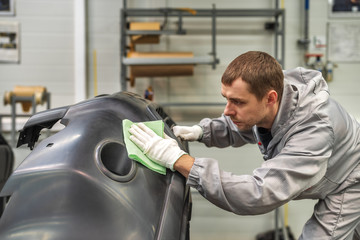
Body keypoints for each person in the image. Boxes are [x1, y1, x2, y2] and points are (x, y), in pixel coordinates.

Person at [129, 51, 360, 239]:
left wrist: (179, 160)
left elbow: (258, 193)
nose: (227, 110)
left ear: (270, 98)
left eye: (237, 102)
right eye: (226, 99)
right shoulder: (277, 92)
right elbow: (242, 123)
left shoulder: (313, 132)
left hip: (350, 182)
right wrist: (202, 131)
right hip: (333, 168)